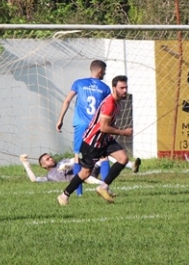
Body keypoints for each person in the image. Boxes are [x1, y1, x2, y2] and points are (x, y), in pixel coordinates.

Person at [55, 60, 141, 183]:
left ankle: (79, 193)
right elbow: (108, 107)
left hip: (81, 124)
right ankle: (105, 186)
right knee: (104, 156)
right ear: (100, 71)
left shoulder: (78, 83)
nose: (104, 74)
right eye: (104, 72)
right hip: (97, 127)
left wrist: (60, 119)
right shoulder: (105, 88)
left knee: (77, 158)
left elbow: (67, 101)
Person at [57, 75, 133, 205]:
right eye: (121, 88)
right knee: (85, 172)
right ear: (114, 88)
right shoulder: (109, 103)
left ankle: (103, 187)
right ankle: (64, 195)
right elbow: (103, 127)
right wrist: (123, 132)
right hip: (92, 142)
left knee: (123, 159)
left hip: (104, 139)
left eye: (126, 87)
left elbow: (106, 125)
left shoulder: (117, 103)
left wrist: (120, 130)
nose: (125, 90)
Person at [19, 153, 105, 185]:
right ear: (43, 165)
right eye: (47, 159)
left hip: (88, 170)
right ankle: (103, 184)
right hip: (84, 178)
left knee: (101, 158)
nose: (51, 159)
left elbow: (75, 159)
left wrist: (69, 165)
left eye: (51, 157)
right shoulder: (49, 176)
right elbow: (34, 180)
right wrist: (26, 164)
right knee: (85, 178)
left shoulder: (62, 162)